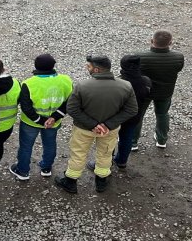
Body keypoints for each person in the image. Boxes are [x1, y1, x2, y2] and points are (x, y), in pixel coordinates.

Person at [54, 56, 137, 195]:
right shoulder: (126, 86)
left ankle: (71, 182)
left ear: (96, 69)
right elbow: (131, 110)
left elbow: (72, 109)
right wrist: (107, 125)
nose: (88, 68)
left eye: (89, 66)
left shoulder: (81, 86)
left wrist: (93, 125)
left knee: (78, 154)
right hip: (109, 130)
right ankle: (101, 181)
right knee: (105, 153)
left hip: (83, 129)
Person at [9, 54, 73, 181]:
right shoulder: (66, 80)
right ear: (53, 65)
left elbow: (26, 107)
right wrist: (53, 118)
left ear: (35, 66)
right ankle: (46, 168)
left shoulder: (29, 83)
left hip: (31, 123)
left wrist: (40, 120)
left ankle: (22, 171)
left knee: (26, 146)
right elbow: (69, 101)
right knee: (50, 144)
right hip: (53, 123)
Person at [132, 30, 185, 151]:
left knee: (138, 115)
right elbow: (178, 69)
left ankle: (133, 141)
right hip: (165, 91)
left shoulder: (140, 57)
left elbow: (136, 73)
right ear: (170, 42)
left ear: (152, 41)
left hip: (145, 92)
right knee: (162, 114)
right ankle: (161, 139)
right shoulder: (178, 57)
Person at [111, 55, 150, 173]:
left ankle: (106, 162)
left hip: (116, 116)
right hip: (134, 115)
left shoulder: (117, 81)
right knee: (127, 138)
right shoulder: (146, 81)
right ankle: (122, 161)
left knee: (110, 139)